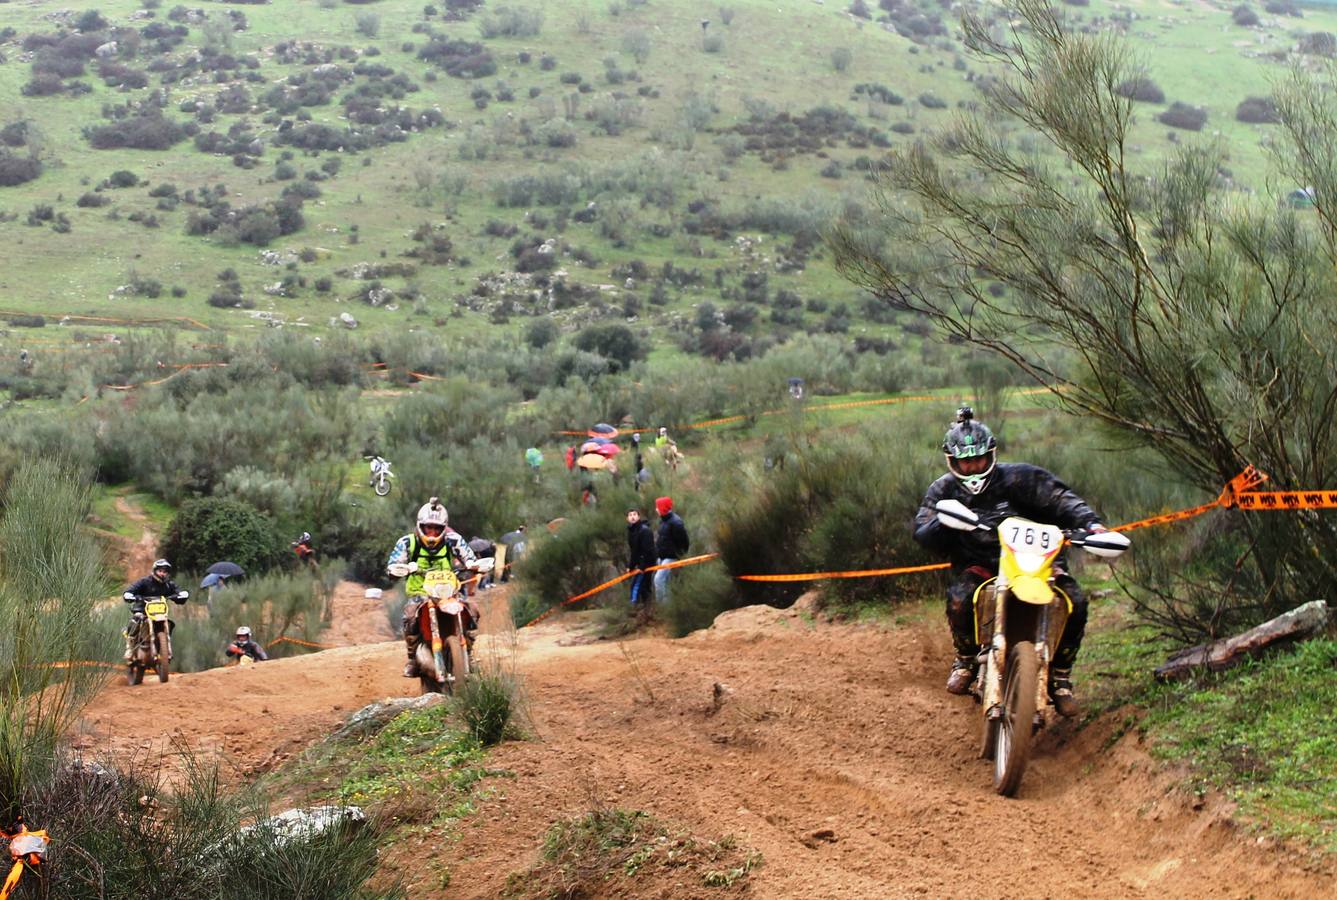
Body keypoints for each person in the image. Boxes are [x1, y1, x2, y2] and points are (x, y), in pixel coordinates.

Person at [911, 407, 1107, 717]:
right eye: (966, 461)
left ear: (991, 455)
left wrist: (1091, 525)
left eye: (979, 459)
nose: (973, 467)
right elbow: (922, 531)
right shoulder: (943, 490)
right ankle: (965, 659)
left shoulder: (1021, 477)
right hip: (982, 563)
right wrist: (943, 524)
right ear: (953, 461)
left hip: (1038, 563)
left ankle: (1061, 677)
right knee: (960, 599)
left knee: (1075, 602)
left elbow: (1061, 498)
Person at [386, 497, 480, 678]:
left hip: (449, 592)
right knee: (410, 615)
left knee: (472, 610)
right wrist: (399, 568)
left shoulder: (452, 540)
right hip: (420, 592)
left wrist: (471, 564)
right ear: (420, 526)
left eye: (437, 528)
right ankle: (413, 658)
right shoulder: (407, 542)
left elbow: (469, 557)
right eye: (428, 527)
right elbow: (393, 563)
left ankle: (467, 652)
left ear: (444, 528)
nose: (432, 532)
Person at [122, 559, 186, 661]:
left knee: (169, 623)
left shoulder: (169, 584)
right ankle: (130, 647)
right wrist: (130, 595)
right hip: (142, 609)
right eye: (160, 571)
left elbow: (179, 591)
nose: (162, 574)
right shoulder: (144, 582)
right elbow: (131, 590)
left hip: (159, 612)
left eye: (165, 571)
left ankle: (165, 649)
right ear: (155, 571)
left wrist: (181, 595)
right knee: (137, 618)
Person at [652, 496, 690, 604]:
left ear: (663, 508)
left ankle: (662, 607)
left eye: (658, 507)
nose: (656, 509)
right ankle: (668, 606)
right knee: (665, 581)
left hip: (671, 557)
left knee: (658, 579)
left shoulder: (676, 523)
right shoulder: (663, 521)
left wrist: (680, 555)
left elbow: (684, 542)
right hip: (662, 557)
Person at [626, 508, 656, 610]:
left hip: (647, 563)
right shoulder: (631, 531)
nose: (632, 517)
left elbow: (648, 551)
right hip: (640, 563)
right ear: (627, 518)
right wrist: (631, 567)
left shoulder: (644, 531)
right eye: (630, 515)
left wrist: (641, 567)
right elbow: (634, 552)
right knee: (643, 587)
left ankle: (634, 608)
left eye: (634, 514)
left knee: (637, 586)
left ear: (639, 517)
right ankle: (646, 609)